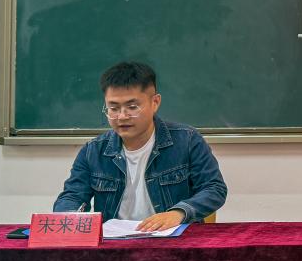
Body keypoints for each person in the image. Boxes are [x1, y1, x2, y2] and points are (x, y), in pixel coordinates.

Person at [54, 61, 227, 231]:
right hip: (114, 242)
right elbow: (72, 196)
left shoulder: (187, 140)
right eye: (113, 108)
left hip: (174, 240)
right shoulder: (93, 151)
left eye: (132, 107)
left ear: (155, 102)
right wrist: (70, 216)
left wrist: (178, 213)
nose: (122, 116)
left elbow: (214, 188)